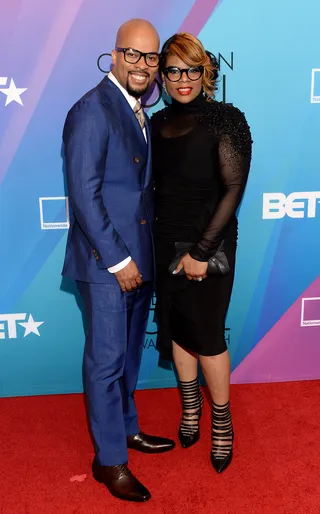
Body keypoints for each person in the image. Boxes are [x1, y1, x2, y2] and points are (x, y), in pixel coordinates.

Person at [62, 19, 175, 503]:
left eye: (151, 58)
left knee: (127, 358)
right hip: (108, 264)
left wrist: (143, 261)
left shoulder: (137, 109)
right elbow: (84, 197)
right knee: (107, 363)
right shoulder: (92, 110)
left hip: (139, 262)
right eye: (133, 54)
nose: (143, 66)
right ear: (114, 54)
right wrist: (119, 260)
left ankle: (126, 431)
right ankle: (109, 461)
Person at [151, 33, 252, 473]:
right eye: (174, 70)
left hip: (208, 245)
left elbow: (233, 189)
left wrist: (200, 251)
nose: (183, 79)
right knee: (176, 331)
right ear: (163, 76)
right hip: (163, 243)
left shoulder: (226, 119)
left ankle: (222, 424)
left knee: (208, 336)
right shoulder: (154, 123)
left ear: (205, 70)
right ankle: (191, 409)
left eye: (192, 69)